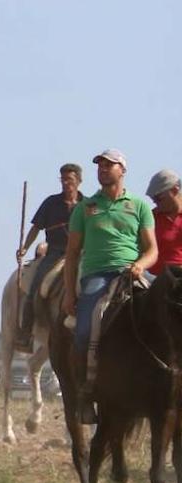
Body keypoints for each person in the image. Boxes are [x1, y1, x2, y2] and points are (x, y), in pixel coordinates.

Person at [63, 149, 156, 424]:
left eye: (109, 165)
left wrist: (140, 265)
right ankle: (85, 392)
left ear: (122, 170)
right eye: (100, 166)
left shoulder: (138, 206)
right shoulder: (86, 208)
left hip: (132, 272)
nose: (103, 169)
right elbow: (71, 254)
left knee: (169, 313)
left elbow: (153, 250)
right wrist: (70, 293)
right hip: (97, 276)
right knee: (82, 332)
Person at [14, 163, 82, 351]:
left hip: (81, 253)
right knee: (36, 287)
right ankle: (25, 334)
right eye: (63, 179)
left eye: (70, 179)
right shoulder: (51, 203)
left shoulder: (87, 204)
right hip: (55, 252)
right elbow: (36, 227)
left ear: (79, 181)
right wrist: (25, 248)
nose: (66, 183)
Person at [146, 169, 182, 278]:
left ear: (175, 190)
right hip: (154, 279)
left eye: (159, 198)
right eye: (153, 200)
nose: (155, 203)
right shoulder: (151, 218)